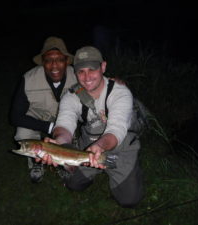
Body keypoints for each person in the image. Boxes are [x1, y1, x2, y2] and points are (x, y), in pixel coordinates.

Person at [37, 46, 144, 207]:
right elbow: (64, 124)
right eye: (81, 71)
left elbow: (116, 130)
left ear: (103, 67)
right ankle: (94, 169)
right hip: (88, 148)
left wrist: (100, 146)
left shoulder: (120, 93)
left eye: (92, 69)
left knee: (130, 200)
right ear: (75, 72)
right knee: (73, 183)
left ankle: (124, 168)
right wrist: (59, 142)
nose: (86, 77)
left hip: (119, 145)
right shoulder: (71, 96)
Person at [9, 36, 77, 183]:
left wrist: (114, 82)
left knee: (76, 137)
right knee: (22, 134)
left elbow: (98, 83)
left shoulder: (78, 75)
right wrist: (48, 127)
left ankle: (64, 162)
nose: (54, 66)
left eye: (59, 59)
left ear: (66, 60)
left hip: (68, 120)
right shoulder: (28, 79)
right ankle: (36, 162)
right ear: (43, 62)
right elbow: (15, 116)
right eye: (48, 60)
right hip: (38, 119)